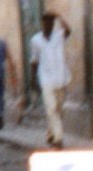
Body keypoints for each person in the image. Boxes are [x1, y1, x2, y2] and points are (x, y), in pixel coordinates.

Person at [29, 11, 72, 148]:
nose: (48, 25)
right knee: (51, 108)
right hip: (45, 78)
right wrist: (33, 79)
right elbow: (34, 60)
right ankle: (58, 138)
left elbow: (68, 30)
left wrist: (59, 16)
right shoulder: (35, 40)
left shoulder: (59, 36)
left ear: (53, 24)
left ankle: (50, 133)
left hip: (60, 77)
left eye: (50, 22)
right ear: (42, 24)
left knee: (58, 109)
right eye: (45, 22)